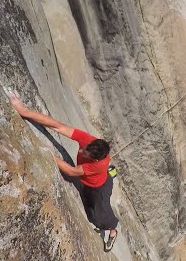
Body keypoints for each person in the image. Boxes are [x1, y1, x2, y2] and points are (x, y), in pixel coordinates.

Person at [8, 93, 119, 252]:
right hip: (89, 182)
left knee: (97, 217)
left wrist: (47, 152)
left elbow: (72, 171)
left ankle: (113, 231)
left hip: (98, 188)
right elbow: (58, 126)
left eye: (85, 152)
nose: (81, 149)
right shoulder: (90, 141)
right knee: (89, 210)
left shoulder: (98, 165)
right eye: (84, 147)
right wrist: (23, 110)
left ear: (94, 160)